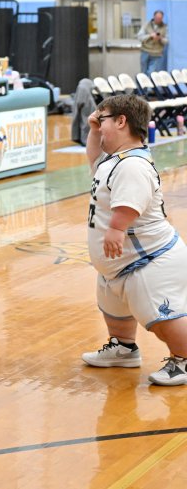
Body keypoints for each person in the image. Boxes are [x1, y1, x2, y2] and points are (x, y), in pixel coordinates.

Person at [81, 94, 187, 386]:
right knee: (113, 307)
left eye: (103, 121)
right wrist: (93, 129)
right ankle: (124, 348)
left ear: (121, 121)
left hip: (150, 260)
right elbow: (93, 158)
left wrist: (116, 229)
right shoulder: (116, 160)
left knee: (163, 319)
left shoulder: (132, 165)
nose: (99, 126)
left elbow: (129, 205)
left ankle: (184, 359)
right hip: (124, 263)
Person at [137, 10, 168, 76]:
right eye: (157, 18)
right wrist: (150, 36)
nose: (158, 20)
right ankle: (142, 86)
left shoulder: (165, 27)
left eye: (160, 18)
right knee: (143, 73)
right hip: (145, 51)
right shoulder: (146, 24)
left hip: (156, 54)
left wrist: (160, 38)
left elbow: (167, 41)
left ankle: (148, 86)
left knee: (151, 73)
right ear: (154, 17)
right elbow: (139, 37)